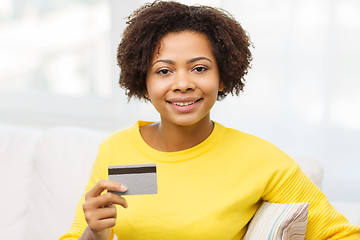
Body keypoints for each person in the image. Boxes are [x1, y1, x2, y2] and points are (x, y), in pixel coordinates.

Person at [59, 1, 360, 239]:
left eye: (199, 68)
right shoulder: (116, 148)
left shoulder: (259, 159)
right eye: (164, 71)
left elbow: (341, 234)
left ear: (223, 78)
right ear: (144, 80)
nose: (183, 83)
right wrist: (95, 235)